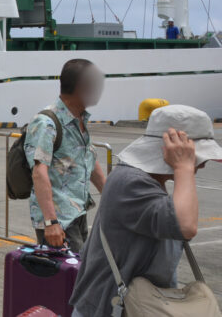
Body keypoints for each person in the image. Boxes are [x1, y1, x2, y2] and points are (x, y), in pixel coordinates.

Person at [69, 105, 222, 317]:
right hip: (108, 309)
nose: (202, 165)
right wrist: (183, 168)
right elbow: (185, 226)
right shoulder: (130, 183)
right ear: (168, 149)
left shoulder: (149, 181)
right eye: (194, 155)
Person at [23, 58, 107, 252]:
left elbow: (88, 160)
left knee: (79, 275)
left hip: (77, 213)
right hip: (58, 221)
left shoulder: (79, 119)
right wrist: (50, 222)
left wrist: (111, 196)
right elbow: (39, 172)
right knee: (65, 279)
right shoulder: (46, 123)